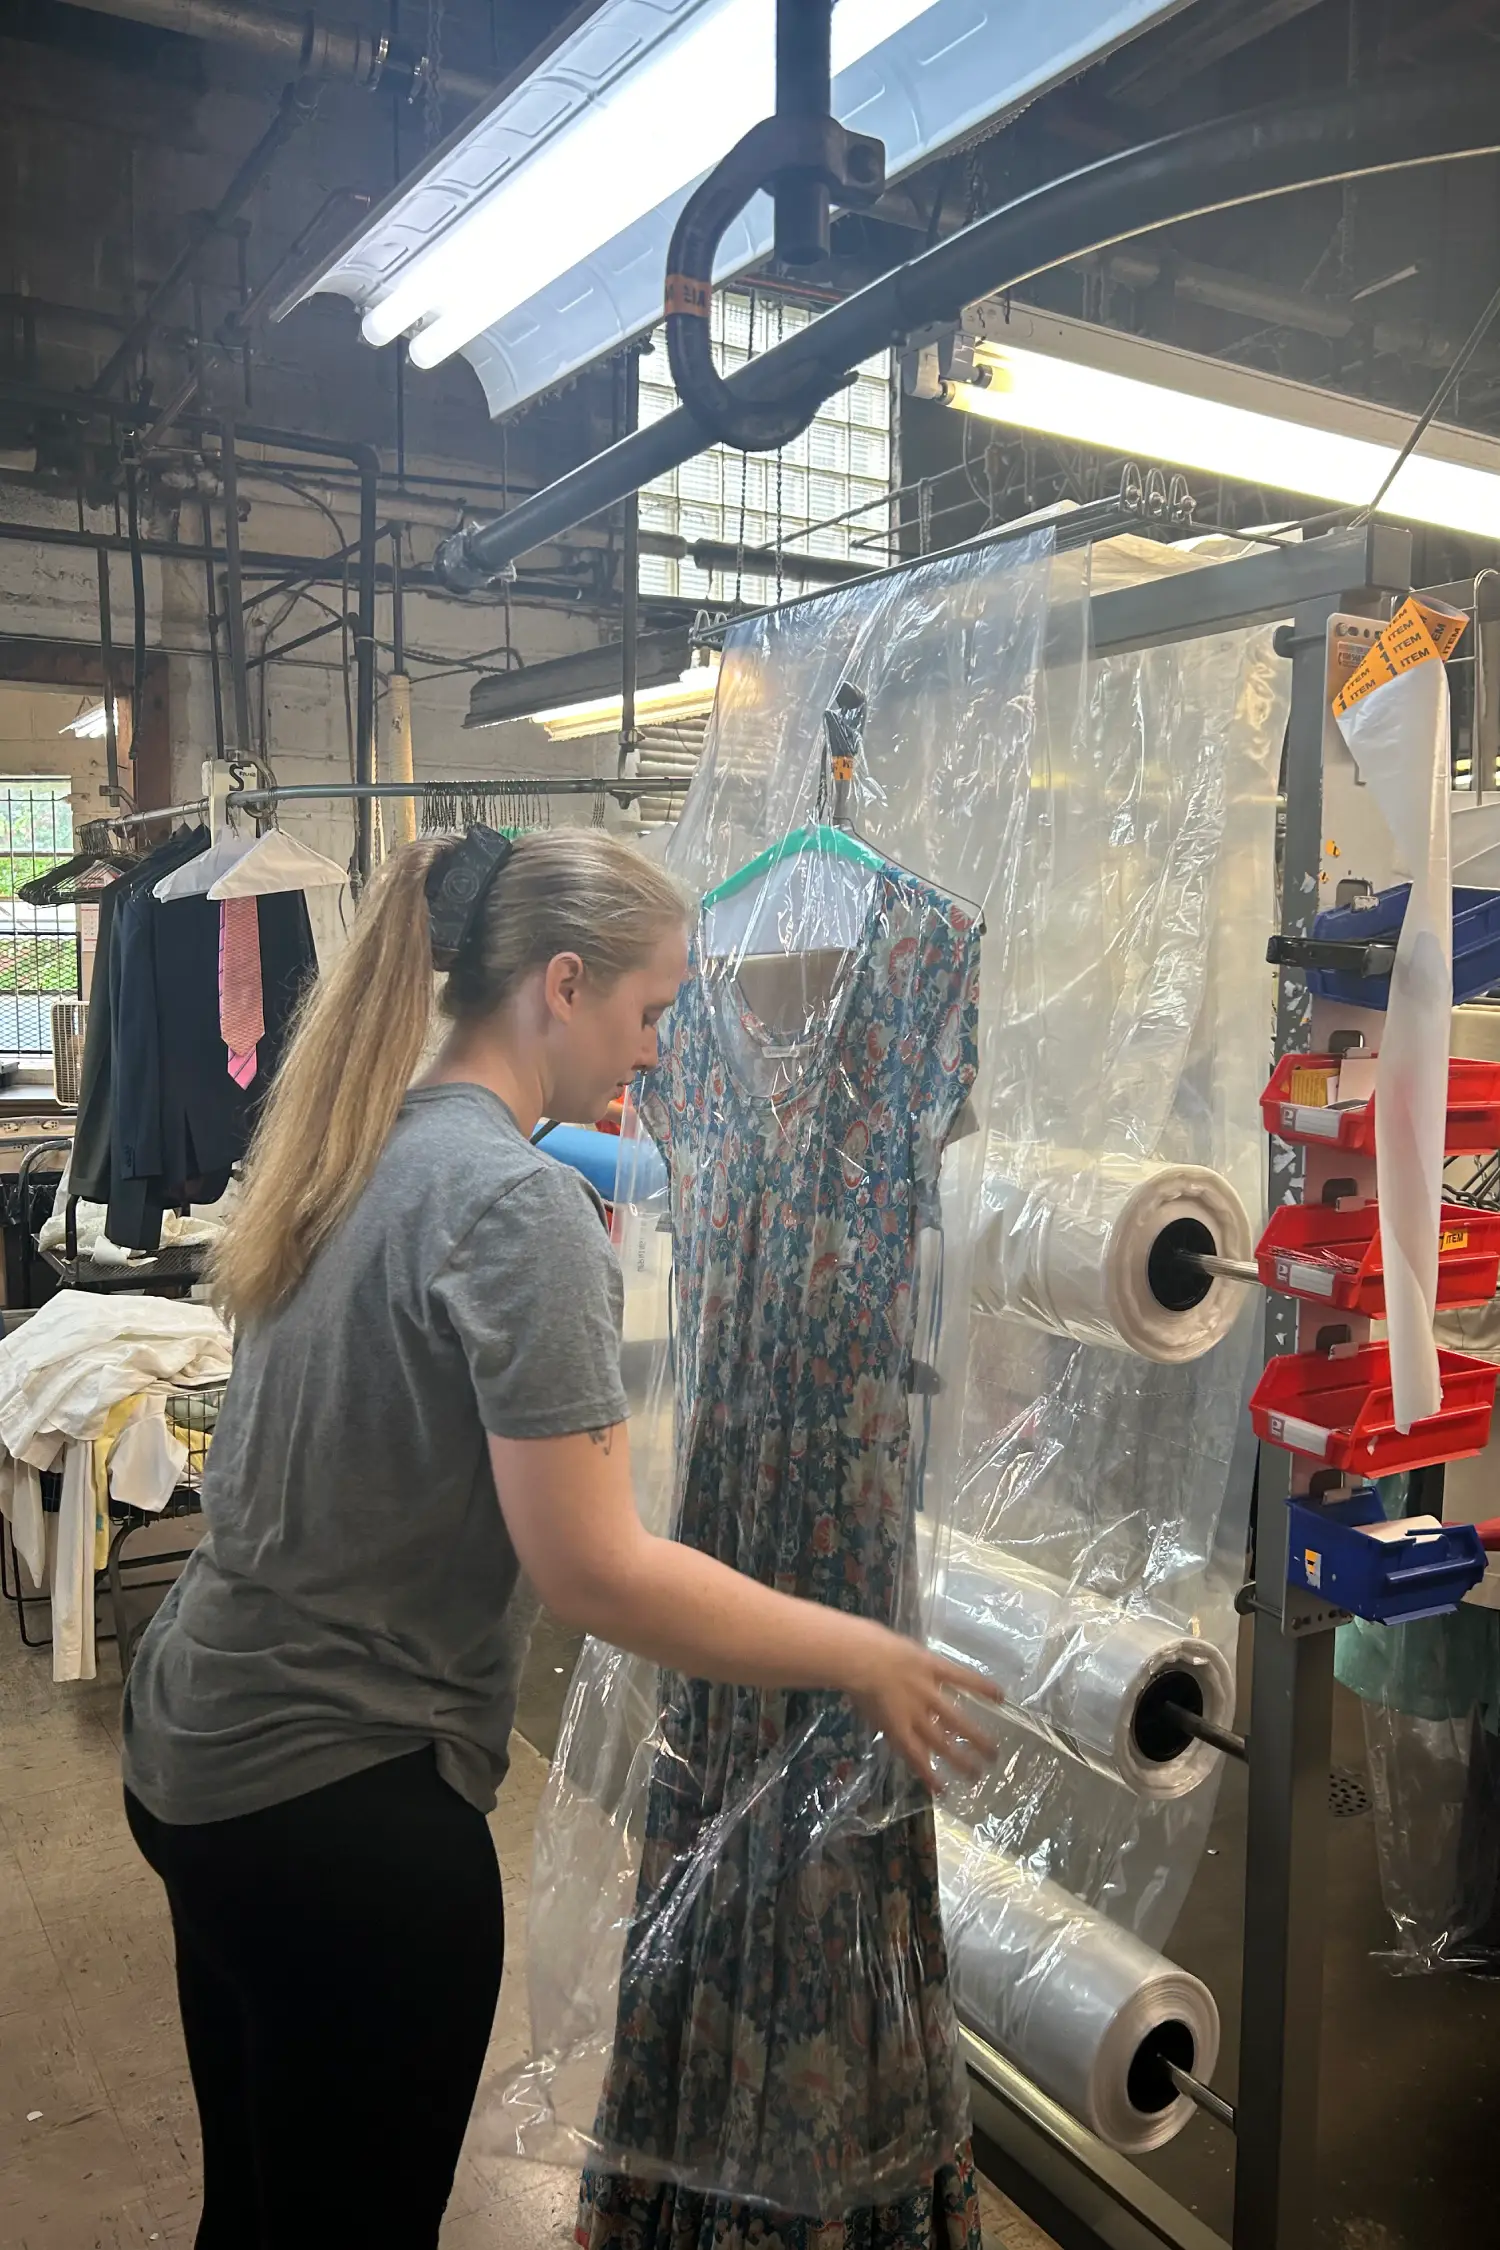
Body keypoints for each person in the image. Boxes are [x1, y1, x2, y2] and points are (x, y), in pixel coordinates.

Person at [120, 826, 997, 2250]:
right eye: (651, 1013)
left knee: (264, 2207)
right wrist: (866, 1652)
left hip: (198, 1756)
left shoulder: (359, 1144)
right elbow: (594, 1570)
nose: (655, 1052)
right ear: (564, 984)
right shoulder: (519, 1206)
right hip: (333, 1803)